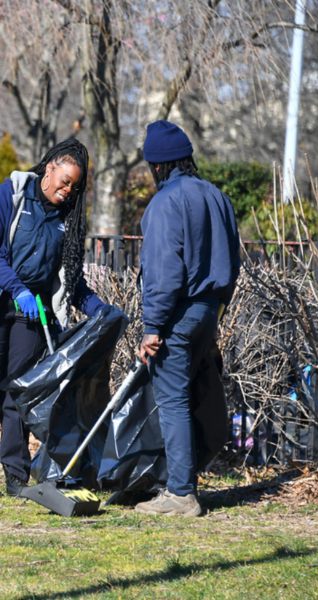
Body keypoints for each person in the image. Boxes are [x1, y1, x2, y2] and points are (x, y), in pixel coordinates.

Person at [0, 138, 107, 500]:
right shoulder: (10, 196)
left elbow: (71, 278)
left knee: (17, 399)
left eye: (75, 186)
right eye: (65, 180)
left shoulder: (66, 219)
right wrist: (17, 288)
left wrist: (97, 308)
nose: (68, 190)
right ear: (51, 166)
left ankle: (16, 478)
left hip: (32, 318)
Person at [134, 121, 240, 517]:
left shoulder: (166, 203)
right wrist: (217, 309)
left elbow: (163, 271)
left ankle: (181, 493)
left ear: (158, 165)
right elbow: (233, 258)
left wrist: (152, 326)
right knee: (189, 393)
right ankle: (182, 480)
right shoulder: (216, 197)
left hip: (176, 314)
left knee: (174, 399)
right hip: (209, 310)